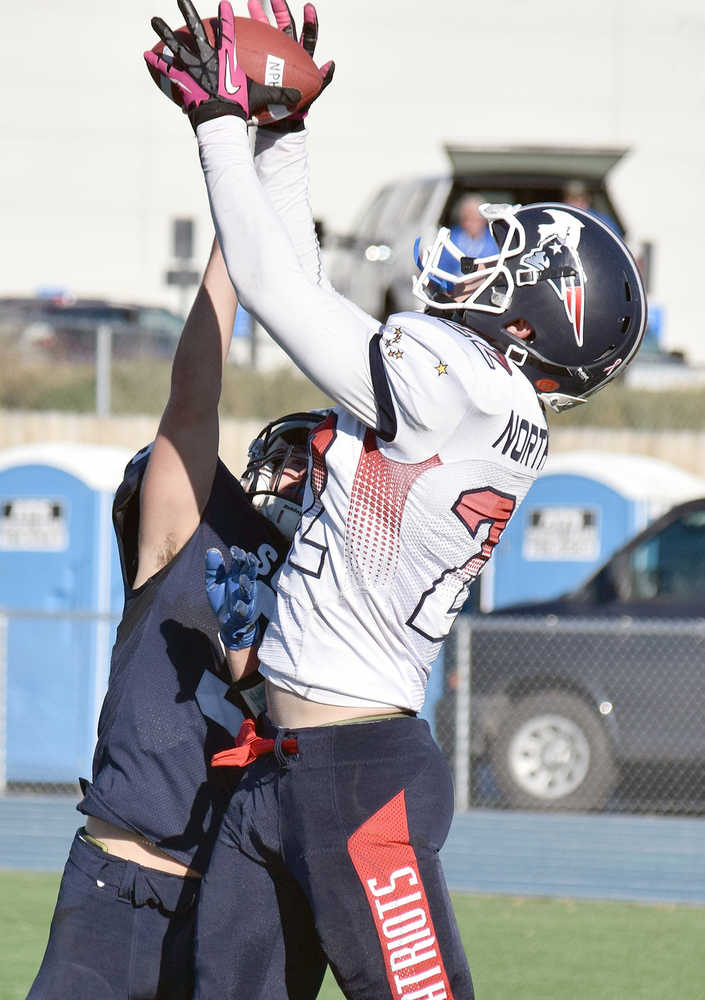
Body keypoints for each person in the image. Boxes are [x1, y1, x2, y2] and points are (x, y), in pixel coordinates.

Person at [146, 3, 648, 999]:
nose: (483, 261)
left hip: (354, 774)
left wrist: (217, 127)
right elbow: (291, 278)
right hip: (286, 766)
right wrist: (282, 136)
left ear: (543, 309)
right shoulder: (488, 402)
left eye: (512, 258)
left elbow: (271, 288)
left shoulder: (451, 380)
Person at [26, 52, 333, 994]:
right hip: (123, 883)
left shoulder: (335, 591)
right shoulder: (184, 541)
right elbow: (193, 393)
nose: (290, 477)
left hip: (249, 910)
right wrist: (237, 163)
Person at [449, 192, 498, 259]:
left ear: (484, 219)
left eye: (476, 219)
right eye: (467, 218)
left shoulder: (495, 241)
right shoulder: (450, 239)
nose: (471, 224)